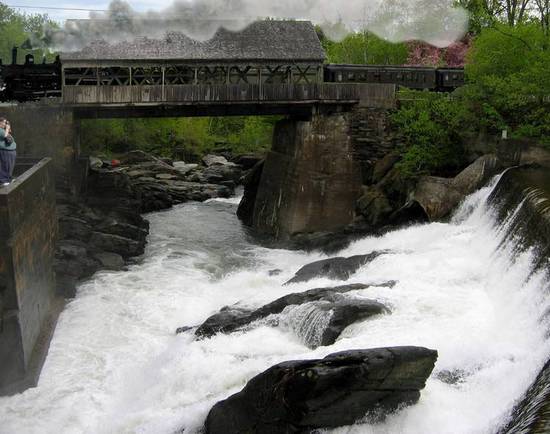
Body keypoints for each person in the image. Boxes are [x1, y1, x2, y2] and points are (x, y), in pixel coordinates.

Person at [0, 117, 16, 186]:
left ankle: (8, 178)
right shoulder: (1, 130)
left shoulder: (3, 130)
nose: (5, 124)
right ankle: (3, 180)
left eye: (5, 122)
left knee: (10, 166)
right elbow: (5, 136)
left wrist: (8, 129)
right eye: (3, 122)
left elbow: (9, 138)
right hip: (4, 151)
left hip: (10, 151)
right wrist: (7, 129)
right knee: (5, 165)